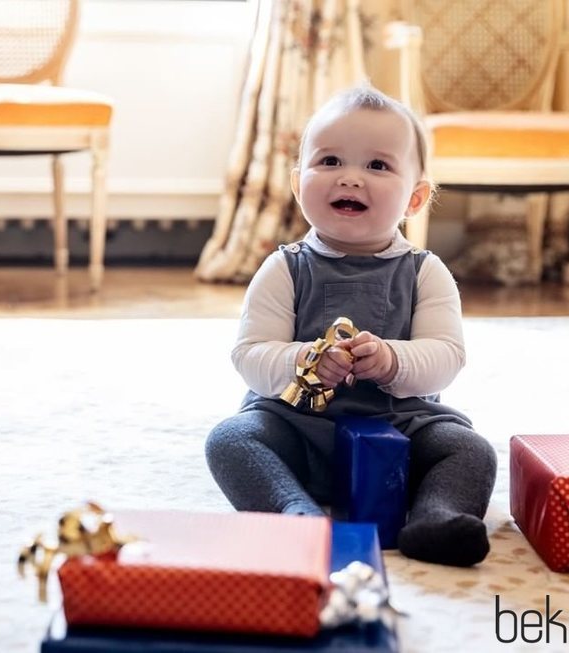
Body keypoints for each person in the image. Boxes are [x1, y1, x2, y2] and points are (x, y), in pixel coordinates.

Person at [204, 85, 497, 567]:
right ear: (299, 184)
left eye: (378, 166)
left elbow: (446, 357)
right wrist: (300, 361)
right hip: (295, 427)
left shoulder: (425, 271)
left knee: (469, 450)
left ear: (416, 198)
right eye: (331, 161)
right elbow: (250, 354)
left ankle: (435, 518)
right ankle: (293, 514)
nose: (351, 179)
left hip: (402, 430)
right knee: (230, 440)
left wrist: (392, 360)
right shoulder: (285, 268)